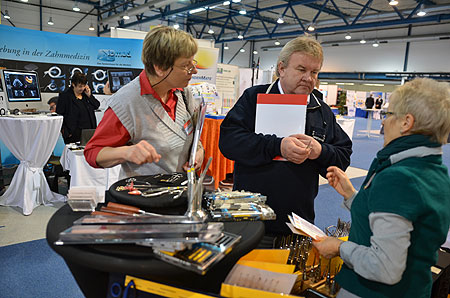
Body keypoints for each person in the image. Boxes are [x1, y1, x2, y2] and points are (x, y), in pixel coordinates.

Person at [313, 78, 450, 298]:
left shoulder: (400, 177)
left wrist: (338, 247)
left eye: (388, 114)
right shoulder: (433, 170)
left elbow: (384, 267)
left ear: (406, 122)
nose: (383, 123)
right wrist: (351, 195)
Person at [219, 36, 352, 237]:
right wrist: (277, 146)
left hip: (297, 222)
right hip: (250, 215)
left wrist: (320, 151)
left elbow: (342, 156)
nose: (309, 78)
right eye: (301, 70)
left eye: (314, 72)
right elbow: (229, 141)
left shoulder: (321, 111)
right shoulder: (254, 98)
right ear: (281, 68)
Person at [84, 25, 204, 179]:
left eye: (192, 63)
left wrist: (199, 151)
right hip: (145, 198)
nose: (194, 71)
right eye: (186, 66)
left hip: (181, 195)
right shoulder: (126, 103)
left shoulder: (183, 94)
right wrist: (126, 152)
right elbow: (92, 153)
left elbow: (194, 136)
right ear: (160, 68)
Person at [56, 72, 100, 144]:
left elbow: (96, 105)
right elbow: (60, 114)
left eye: (84, 86)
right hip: (73, 133)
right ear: (73, 84)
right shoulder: (65, 96)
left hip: (89, 131)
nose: (82, 88)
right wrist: (66, 132)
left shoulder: (85, 94)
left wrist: (90, 96)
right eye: (80, 86)